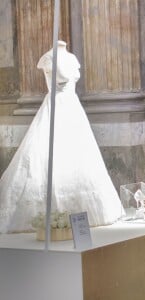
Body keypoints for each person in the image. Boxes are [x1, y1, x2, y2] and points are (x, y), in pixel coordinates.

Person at [0, 41, 123, 233]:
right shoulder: (48, 59)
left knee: (79, 155)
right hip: (56, 107)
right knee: (48, 154)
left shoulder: (71, 58)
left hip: (73, 110)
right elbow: (63, 77)